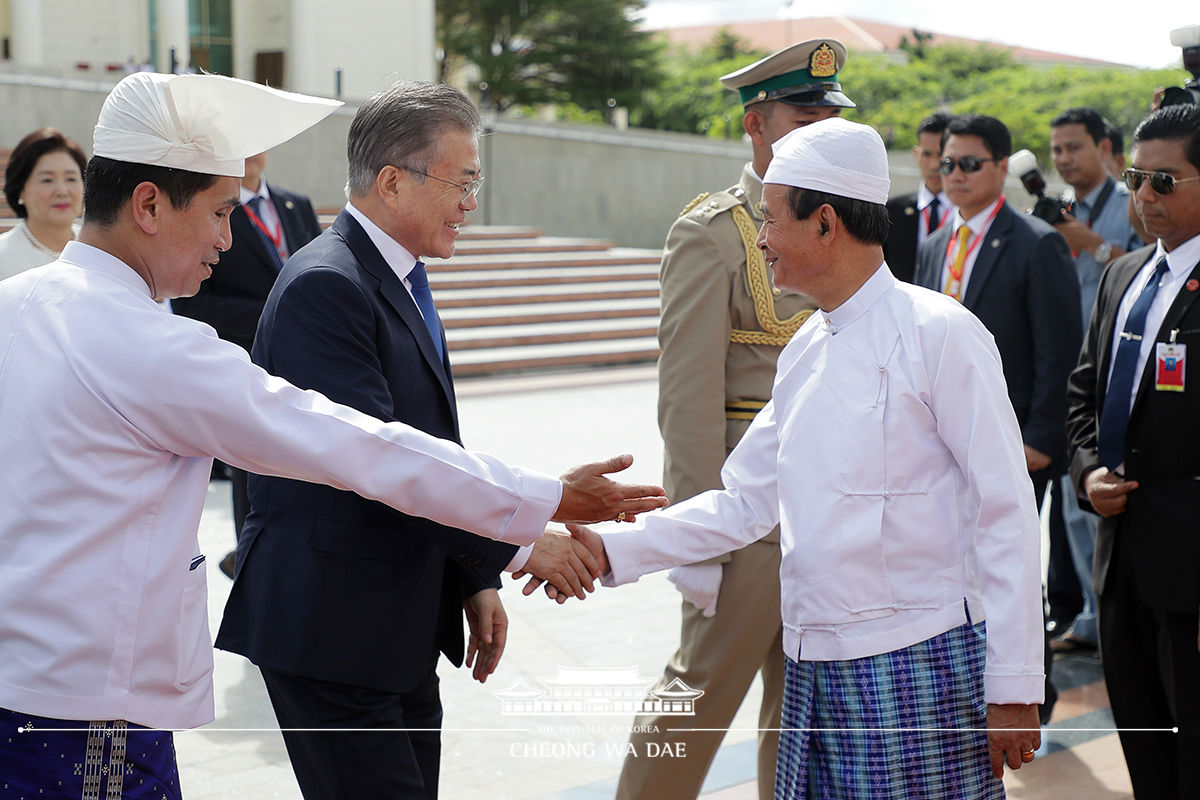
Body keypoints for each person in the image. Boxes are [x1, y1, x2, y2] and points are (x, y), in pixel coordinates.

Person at [0, 71, 665, 799]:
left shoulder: (18, 304)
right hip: (89, 710)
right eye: (222, 212)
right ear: (150, 204)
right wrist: (546, 497)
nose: (228, 238)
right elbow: (355, 445)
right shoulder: (153, 349)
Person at [560, 117, 1044, 797]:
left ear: (824, 223)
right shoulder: (806, 350)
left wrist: (1015, 686)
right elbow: (747, 501)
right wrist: (609, 550)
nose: (760, 239)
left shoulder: (942, 334)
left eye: (770, 218)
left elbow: (1006, 512)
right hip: (813, 669)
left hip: (915, 669)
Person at [213, 80, 607, 800]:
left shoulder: (394, 276)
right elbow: (381, 463)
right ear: (393, 182)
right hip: (330, 628)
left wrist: (473, 576)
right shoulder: (325, 286)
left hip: (395, 622)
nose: (472, 203)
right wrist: (521, 541)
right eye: (463, 182)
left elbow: (426, 450)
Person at [621, 39, 854, 800]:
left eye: (829, 113)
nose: (821, 126)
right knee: (693, 701)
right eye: (804, 113)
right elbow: (685, 401)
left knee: (801, 717)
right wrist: (695, 535)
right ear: (757, 124)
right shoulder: (711, 231)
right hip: (746, 519)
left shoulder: (837, 223)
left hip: (825, 509)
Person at [1065, 102, 1200, 800]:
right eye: (1136, 179)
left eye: (1165, 181)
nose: (1144, 196)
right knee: (1144, 739)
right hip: (1118, 556)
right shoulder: (1125, 277)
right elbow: (1083, 395)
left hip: (1191, 562)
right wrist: (1088, 472)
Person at [172, 149, 324, 576]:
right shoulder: (211, 212)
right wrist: (276, 311)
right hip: (245, 369)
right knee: (253, 484)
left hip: (305, 368)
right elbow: (193, 305)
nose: (251, 152)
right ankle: (251, 568)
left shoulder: (297, 204)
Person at [1045, 107, 1144, 653]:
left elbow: (1153, 267)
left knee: (1113, 499)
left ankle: (1119, 622)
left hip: (1124, 373)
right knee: (1072, 501)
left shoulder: (1133, 200)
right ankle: (1090, 616)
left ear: (1105, 150)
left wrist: (1089, 241)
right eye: (1057, 149)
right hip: (1073, 373)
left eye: (1074, 147)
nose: (1064, 159)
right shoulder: (1058, 209)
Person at [0, 127, 87, 280]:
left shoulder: (99, 250)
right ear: (21, 189)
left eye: (71, 179)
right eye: (47, 180)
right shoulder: (4, 257)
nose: (62, 191)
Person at [883, 111, 953, 283]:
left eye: (941, 155)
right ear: (916, 154)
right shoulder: (891, 212)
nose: (934, 165)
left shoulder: (969, 213)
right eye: (927, 154)